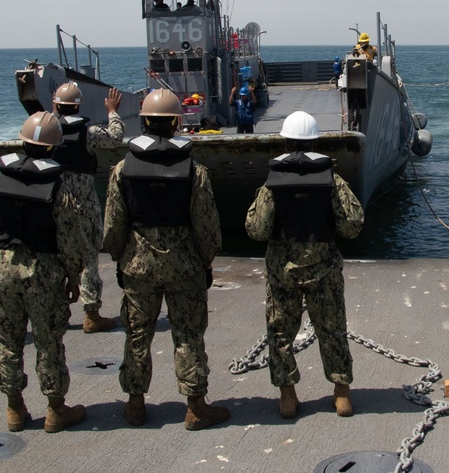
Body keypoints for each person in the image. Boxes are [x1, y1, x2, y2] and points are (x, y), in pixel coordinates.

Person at [101, 89, 229, 430]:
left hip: (137, 266)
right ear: (176, 122)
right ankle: (196, 406)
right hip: (185, 265)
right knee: (188, 334)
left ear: (143, 122)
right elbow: (207, 227)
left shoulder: (121, 170)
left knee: (137, 334)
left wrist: (120, 257)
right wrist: (206, 260)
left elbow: (113, 225)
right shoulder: (195, 171)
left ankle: (135, 405)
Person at [0, 112, 89, 433]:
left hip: (2, 273)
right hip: (44, 275)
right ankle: (55, 409)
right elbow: (71, 243)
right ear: (53, 148)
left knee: (8, 343)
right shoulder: (57, 188)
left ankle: (15, 409)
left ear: (22, 142)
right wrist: (72, 277)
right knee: (49, 343)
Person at [245, 111, 364, 419]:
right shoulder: (332, 181)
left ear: (285, 142)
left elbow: (256, 230)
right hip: (324, 270)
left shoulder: (271, 184)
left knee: (281, 332)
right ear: (315, 141)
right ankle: (342, 395)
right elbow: (353, 226)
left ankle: (287, 397)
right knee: (332, 329)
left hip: (282, 272)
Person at [51, 82, 125, 334]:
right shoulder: (89, 132)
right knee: (89, 256)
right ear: (78, 105)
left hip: (55, 203)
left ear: (55, 104)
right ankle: (91, 314)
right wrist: (113, 111)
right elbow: (115, 138)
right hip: (84, 203)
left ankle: (57, 313)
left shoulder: (49, 129)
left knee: (57, 255)